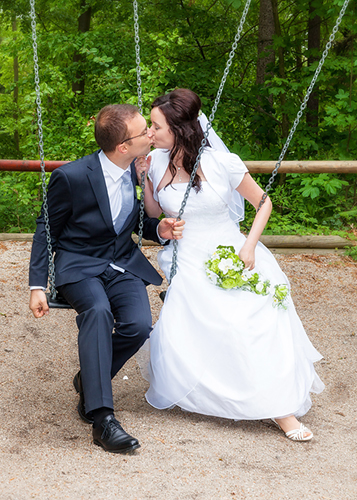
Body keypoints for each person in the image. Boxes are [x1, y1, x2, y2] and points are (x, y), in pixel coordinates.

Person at [135, 88, 324, 442]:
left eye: (156, 127)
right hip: (185, 257)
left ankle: (280, 409)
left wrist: (249, 247)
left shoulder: (222, 163)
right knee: (200, 326)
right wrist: (144, 178)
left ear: (178, 129)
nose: (150, 133)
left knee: (246, 324)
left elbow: (263, 204)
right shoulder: (157, 161)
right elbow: (153, 213)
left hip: (229, 250)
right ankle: (210, 391)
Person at [29, 103, 184, 454]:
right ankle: (102, 419)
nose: (150, 134)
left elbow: (125, 223)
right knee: (98, 312)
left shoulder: (135, 169)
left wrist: (157, 229)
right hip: (79, 264)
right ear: (123, 146)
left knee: (139, 325)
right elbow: (46, 228)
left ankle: (90, 378)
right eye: (143, 131)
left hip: (120, 262)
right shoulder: (72, 177)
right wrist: (37, 285)